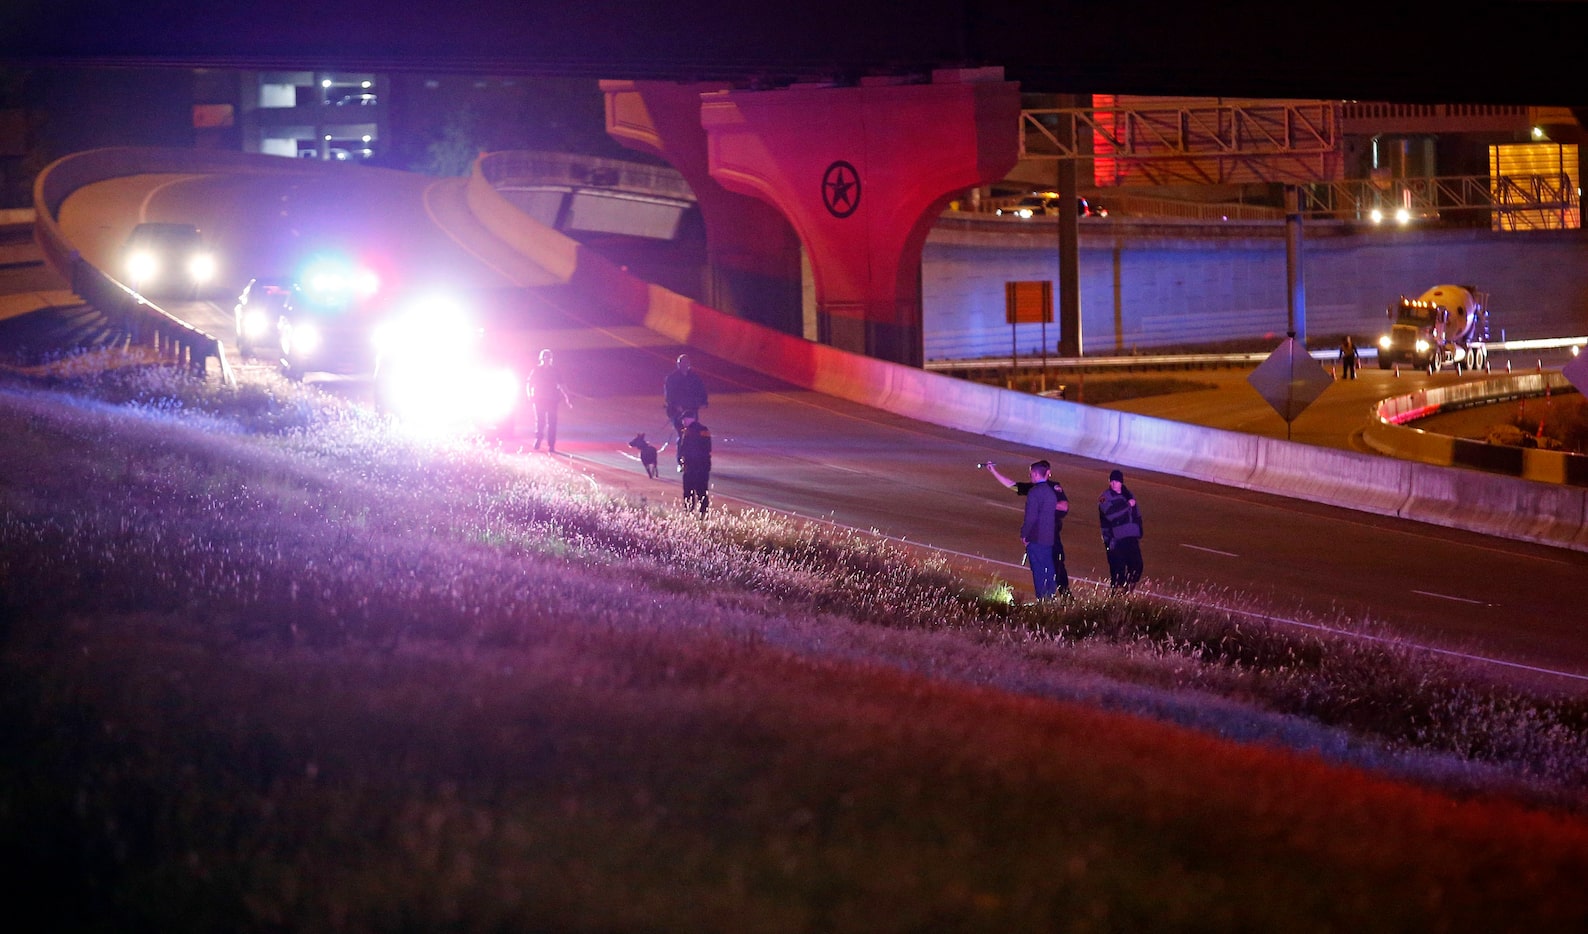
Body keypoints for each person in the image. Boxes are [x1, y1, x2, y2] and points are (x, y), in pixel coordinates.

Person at [985, 459, 1070, 600]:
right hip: (1048, 535)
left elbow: (1062, 507)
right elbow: (1013, 485)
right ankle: (1052, 598)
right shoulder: (1038, 489)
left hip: (1044, 535)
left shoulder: (1048, 489)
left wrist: (1025, 534)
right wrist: (994, 471)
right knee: (1049, 568)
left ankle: (1056, 597)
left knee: (1047, 567)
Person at [1098, 468, 1144, 592]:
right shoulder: (1104, 497)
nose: (1114, 483)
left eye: (1117, 481)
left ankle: (1127, 593)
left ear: (1121, 482)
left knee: (1137, 566)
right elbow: (1111, 514)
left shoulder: (1129, 495)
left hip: (1131, 537)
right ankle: (1116, 598)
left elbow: (1137, 514)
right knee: (1118, 571)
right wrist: (1128, 504)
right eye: (1112, 481)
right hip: (1115, 540)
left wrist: (1138, 529)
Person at [663, 354, 709, 462]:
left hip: (691, 410)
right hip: (676, 412)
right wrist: (675, 405)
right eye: (682, 364)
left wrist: (704, 402)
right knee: (682, 433)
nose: (684, 366)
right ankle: (680, 457)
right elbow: (669, 395)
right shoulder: (671, 378)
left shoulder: (694, 377)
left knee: (693, 433)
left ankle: (692, 456)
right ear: (678, 364)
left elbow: (701, 390)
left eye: (686, 364)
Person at [525, 348, 570, 453]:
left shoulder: (555, 371)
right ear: (541, 359)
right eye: (545, 358)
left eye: (548, 358)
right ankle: (538, 439)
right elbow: (529, 383)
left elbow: (562, 384)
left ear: (550, 359)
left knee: (552, 423)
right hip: (539, 399)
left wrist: (567, 395)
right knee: (540, 422)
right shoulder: (536, 370)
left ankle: (551, 444)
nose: (546, 360)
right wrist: (529, 395)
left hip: (552, 400)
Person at [677, 409, 712, 516]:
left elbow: (683, 449)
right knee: (702, 491)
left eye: (684, 420)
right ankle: (703, 514)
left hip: (691, 466)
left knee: (688, 491)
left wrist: (681, 461)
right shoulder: (704, 430)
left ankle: (689, 512)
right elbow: (708, 447)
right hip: (703, 466)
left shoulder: (687, 432)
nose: (683, 422)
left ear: (687, 420)